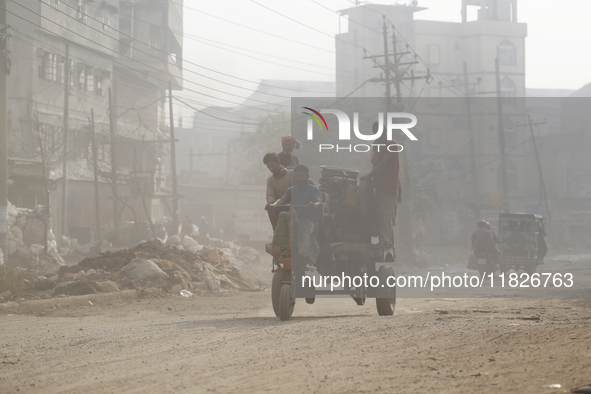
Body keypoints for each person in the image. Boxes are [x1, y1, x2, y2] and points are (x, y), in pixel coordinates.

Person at [361, 122, 402, 248]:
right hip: (378, 184)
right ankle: (379, 239)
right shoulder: (376, 145)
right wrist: (372, 178)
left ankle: (385, 241)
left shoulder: (392, 144)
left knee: (385, 213)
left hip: (388, 185)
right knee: (376, 213)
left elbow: (383, 163)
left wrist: (369, 175)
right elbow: (375, 163)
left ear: (385, 131)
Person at [270, 164, 322, 264]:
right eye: (298, 176)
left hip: (309, 221)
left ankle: (302, 254)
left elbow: (319, 202)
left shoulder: (314, 189)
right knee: (282, 214)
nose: (300, 178)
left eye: (303, 176)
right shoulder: (291, 190)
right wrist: (273, 205)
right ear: (295, 177)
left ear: (307, 176)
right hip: (294, 219)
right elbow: (281, 200)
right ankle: (280, 247)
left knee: (304, 225)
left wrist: (313, 204)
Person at [263, 153, 292, 230]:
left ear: (279, 162)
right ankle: (276, 234)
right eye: (269, 167)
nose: (271, 169)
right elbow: (270, 195)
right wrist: (271, 202)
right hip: (277, 208)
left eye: (272, 166)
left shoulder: (291, 175)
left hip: (292, 208)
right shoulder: (270, 180)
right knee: (271, 210)